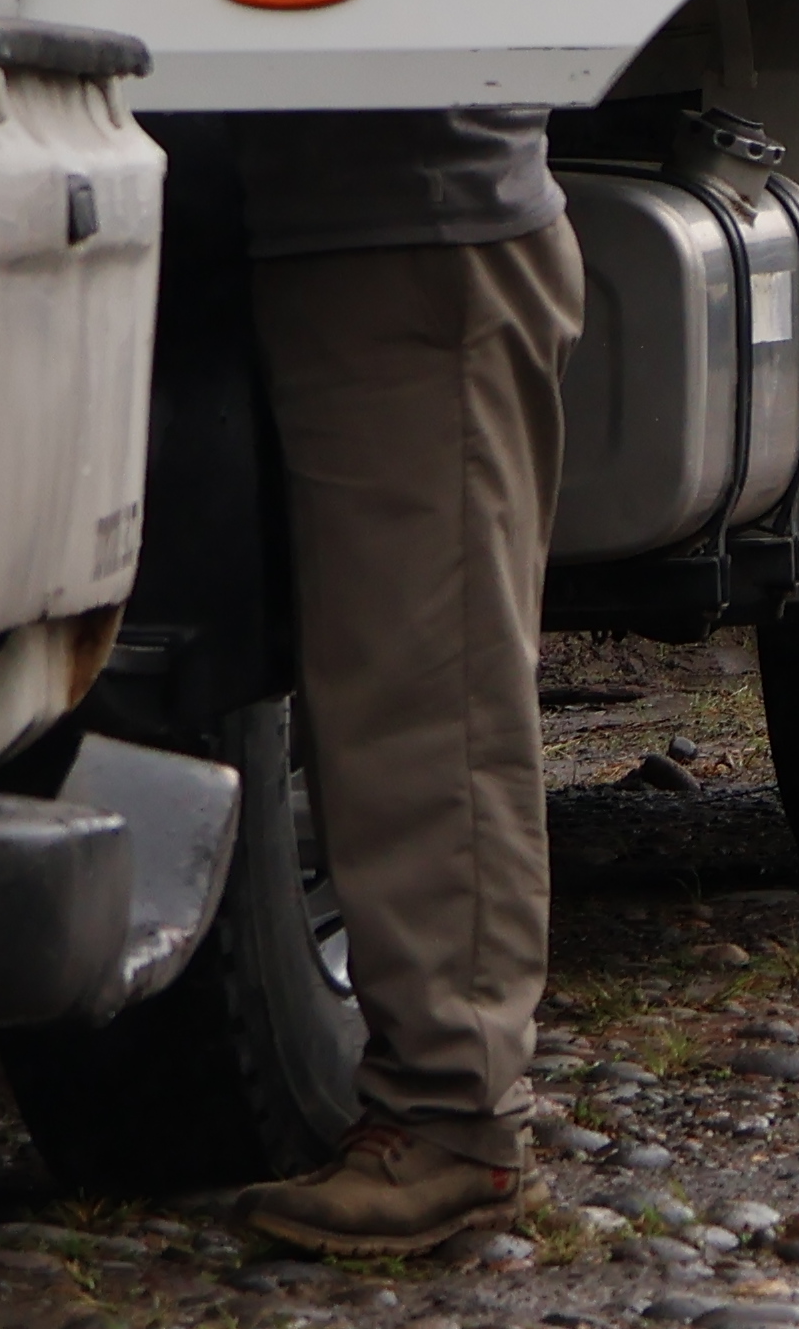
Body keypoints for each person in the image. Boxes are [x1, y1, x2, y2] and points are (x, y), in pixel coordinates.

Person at [178, 108, 590, 1260]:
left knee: (421, 693)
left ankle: (454, 1124)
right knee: (394, 681)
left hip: (407, 228)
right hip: (327, 221)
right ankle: (443, 1109)